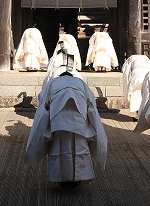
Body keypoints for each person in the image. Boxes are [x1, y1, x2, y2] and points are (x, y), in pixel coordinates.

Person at [25, 49, 107, 187]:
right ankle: (78, 178)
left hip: (58, 123)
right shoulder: (81, 83)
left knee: (59, 149)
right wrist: (94, 126)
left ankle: (61, 178)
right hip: (79, 122)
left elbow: (44, 105)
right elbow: (91, 106)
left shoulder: (52, 83)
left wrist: (43, 127)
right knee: (80, 149)